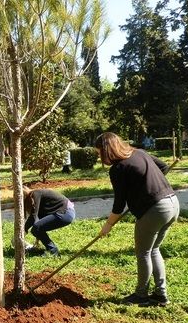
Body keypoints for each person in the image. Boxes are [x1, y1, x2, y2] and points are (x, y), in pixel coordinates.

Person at [95, 132, 179, 307]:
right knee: (154, 249)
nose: (99, 157)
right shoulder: (139, 152)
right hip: (172, 204)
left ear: (107, 150)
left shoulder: (118, 169)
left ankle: (141, 295)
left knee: (143, 253)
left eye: (99, 153)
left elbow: (119, 204)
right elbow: (163, 167)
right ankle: (160, 295)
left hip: (155, 210)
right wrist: (147, 185)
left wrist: (108, 225)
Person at [23, 186, 75, 256]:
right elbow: (38, 223)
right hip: (66, 213)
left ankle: (53, 251)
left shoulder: (35, 193)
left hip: (65, 213)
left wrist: (24, 231)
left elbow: (33, 217)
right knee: (36, 228)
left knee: (36, 228)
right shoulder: (38, 197)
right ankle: (50, 250)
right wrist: (37, 241)